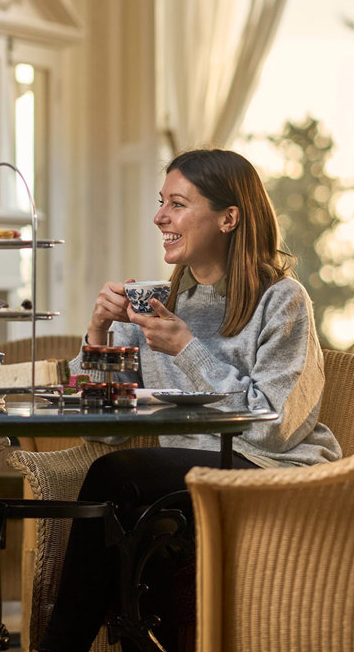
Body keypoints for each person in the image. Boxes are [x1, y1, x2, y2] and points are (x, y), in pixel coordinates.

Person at [36, 148, 341, 652]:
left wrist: (188, 349)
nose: (159, 217)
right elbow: (102, 423)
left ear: (229, 217)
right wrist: (98, 333)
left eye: (176, 204)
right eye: (161, 203)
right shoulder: (162, 303)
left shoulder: (282, 300)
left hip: (276, 474)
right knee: (137, 520)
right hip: (192, 476)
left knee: (117, 476)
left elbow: (276, 426)